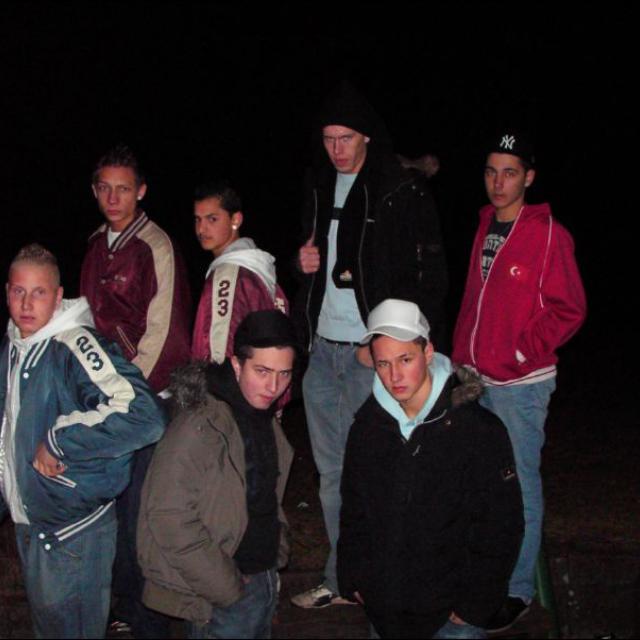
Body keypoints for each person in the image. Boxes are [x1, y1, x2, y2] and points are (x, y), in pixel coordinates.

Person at [292, 82, 448, 609]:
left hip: (371, 357)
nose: (336, 149)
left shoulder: (397, 188)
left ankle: (391, 578)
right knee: (331, 475)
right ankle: (344, 579)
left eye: (346, 138)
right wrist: (301, 264)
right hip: (322, 351)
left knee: (384, 468)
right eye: (328, 139)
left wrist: (383, 345)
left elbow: (427, 275)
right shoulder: (318, 184)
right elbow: (311, 263)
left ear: (366, 137)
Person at [452, 131, 586, 632]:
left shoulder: (549, 233)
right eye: (491, 171)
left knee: (519, 486)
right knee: (478, 484)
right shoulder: (485, 224)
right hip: (476, 379)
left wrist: (519, 351)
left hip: (521, 385)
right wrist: (461, 355)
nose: (498, 182)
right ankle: (482, 575)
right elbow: (476, 300)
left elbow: (569, 308)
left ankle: (518, 590)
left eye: (509, 173)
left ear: (528, 177)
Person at [0, 244, 166, 639]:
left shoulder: (74, 344)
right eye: (18, 291)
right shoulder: (14, 345)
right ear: (7, 291)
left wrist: (60, 440)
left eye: (39, 292)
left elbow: (143, 414)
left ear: (58, 296)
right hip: (33, 527)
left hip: (73, 534)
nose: (27, 303)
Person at [337, 298, 524, 639]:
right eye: (383, 363)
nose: (394, 375)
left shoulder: (477, 429)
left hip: (451, 618)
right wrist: (354, 576)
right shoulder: (366, 428)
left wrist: (474, 605)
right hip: (385, 611)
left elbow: (501, 523)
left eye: (405, 359)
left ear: (427, 352)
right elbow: (354, 509)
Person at [80, 144, 192, 637]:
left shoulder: (155, 246)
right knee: (107, 503)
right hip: (102, 398)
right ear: (94, 190)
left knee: (141, 510)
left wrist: (126, 393)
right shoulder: (94, 245)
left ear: (141, 191)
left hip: (144, 400)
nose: (113, 197)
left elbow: (165, 331)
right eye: (105, 188)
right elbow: (86, 320)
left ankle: (150, 616)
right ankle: (119, 603)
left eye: (123, 188)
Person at [137, 310, 297, 639]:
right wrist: (225, 585)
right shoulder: (199, 425)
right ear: (237, 364)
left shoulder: (260, 413)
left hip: (261, 578)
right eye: (262, 371)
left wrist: (275, 550)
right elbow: (168, 515)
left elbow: (264, 493)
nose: (274, 387)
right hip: (223, 593)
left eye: (284, 374)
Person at [191, 180, 288, 364]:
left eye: (212, 219)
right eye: (198, 219)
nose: (201, 229)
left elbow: (220, 354)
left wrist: (211, 378)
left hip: (233, 379)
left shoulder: (228, 274)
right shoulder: (258, 269)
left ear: (235, 220)